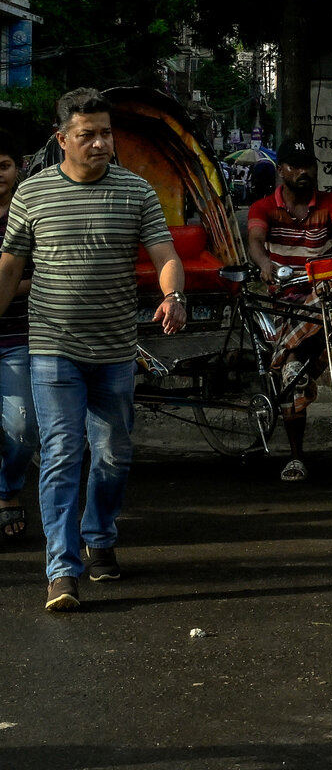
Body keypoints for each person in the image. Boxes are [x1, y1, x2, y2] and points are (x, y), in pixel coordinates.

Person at [0, 88, 186, 610]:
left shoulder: (136, 192)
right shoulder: (32, 194)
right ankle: (62, 569)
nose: (101, 143)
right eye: (88, 135)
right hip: (52, 348)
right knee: (62, 453)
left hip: (114, 350)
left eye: (106, 133)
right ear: (62, 139)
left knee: (112, 454)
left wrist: (173, 294)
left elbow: (164, 252)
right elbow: (11, 265)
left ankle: (99, 536)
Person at [246, 138, 332, 484]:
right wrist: (264, 265)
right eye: (296, 166)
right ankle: (296, 456)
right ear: (282, 171)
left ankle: (305, 355)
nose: (304, 172)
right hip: (288, 300)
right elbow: (256, 242)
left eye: (309, 165)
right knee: (292, 374)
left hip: (326, 294)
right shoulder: (263, 207)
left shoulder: (330, 202)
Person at [0, 143, 36, 545]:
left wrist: (7, 286)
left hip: (17, 337)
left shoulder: (29, 214)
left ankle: (8, 489)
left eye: (5, 165)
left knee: (23, 428)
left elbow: (45, 271)